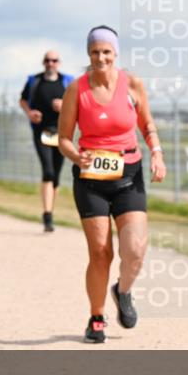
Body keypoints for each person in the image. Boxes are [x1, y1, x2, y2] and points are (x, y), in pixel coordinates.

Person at [57, 25, 166, 343]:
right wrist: (76, 157)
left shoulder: (132, 83)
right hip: (91, 179)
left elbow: (147, 124)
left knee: (135, 250)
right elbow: (63, 138)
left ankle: (124, 290)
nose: (100, 57)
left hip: (129, 174)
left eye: (106, 51)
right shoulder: (77, 89)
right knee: (101, 252)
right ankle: (96, 318)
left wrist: (157, 153)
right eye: (95, 52)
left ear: (115, 53)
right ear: (88, 54)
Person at [20, 50, 74, 232]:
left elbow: (79, 103)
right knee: (48, 171)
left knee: (56, 175)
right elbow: (23, 100)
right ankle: (47, 216)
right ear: (43, 62)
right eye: (47, 60)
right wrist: (30, 113)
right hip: (41, 132)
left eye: (54, 60)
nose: (50, 63)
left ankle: (51, 209)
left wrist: (65, 105)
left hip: (62, 133)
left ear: (59, 63)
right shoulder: (34, 81)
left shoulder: (68, 82)